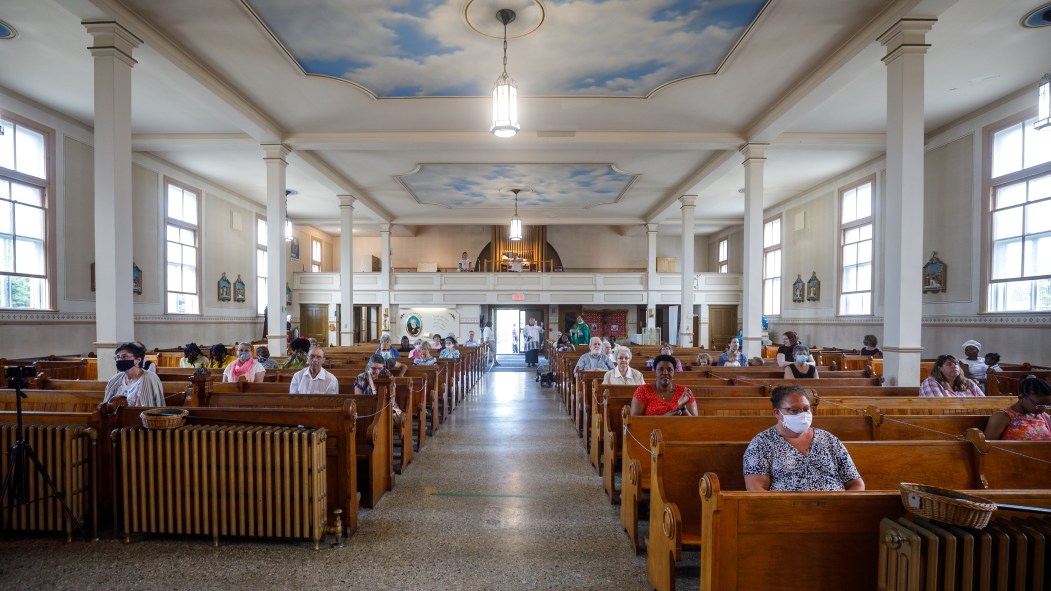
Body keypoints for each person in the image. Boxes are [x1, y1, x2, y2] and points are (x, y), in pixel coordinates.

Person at [743, 385, 864, 491]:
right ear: (777, 413)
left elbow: (856, 484)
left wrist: (847, 507)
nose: (802, 414)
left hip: (836, 509)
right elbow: (756, 489)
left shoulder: (828, 439)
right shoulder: (762, 442)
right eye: (794, 410)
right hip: (787, 511)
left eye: (806, 409)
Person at [984, 375, 1051, 440]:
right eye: (1040, 404)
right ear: (1021, 397)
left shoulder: (1044, 417)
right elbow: (988, 448)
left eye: (1048, 404)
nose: (1044, 408)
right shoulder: (1002, 417)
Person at [630, 354, 696, 416]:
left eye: (669, 370)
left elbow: (695, 423)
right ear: (655, 371)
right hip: (652, 428)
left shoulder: (684, 392)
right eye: (661, 369)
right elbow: (635, 421)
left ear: (674, 372)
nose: (665, 372)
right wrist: (664, 418)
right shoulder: (643, 390)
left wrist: (683, 408)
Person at [103, 341, 166, 407]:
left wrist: (137, 410)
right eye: (118, 357)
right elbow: (105, 406)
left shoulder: (151, 378)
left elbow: (159, 406)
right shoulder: (115, 379)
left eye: (124, 356)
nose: (120, 360)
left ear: (138, 360)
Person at [919, 354, 984, 397]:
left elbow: (984, 403)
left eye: (956, 364)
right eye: (949, 364)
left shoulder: (969, 383)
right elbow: (939, 406)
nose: (954, 366)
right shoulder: (930, 382)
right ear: (940, 368)